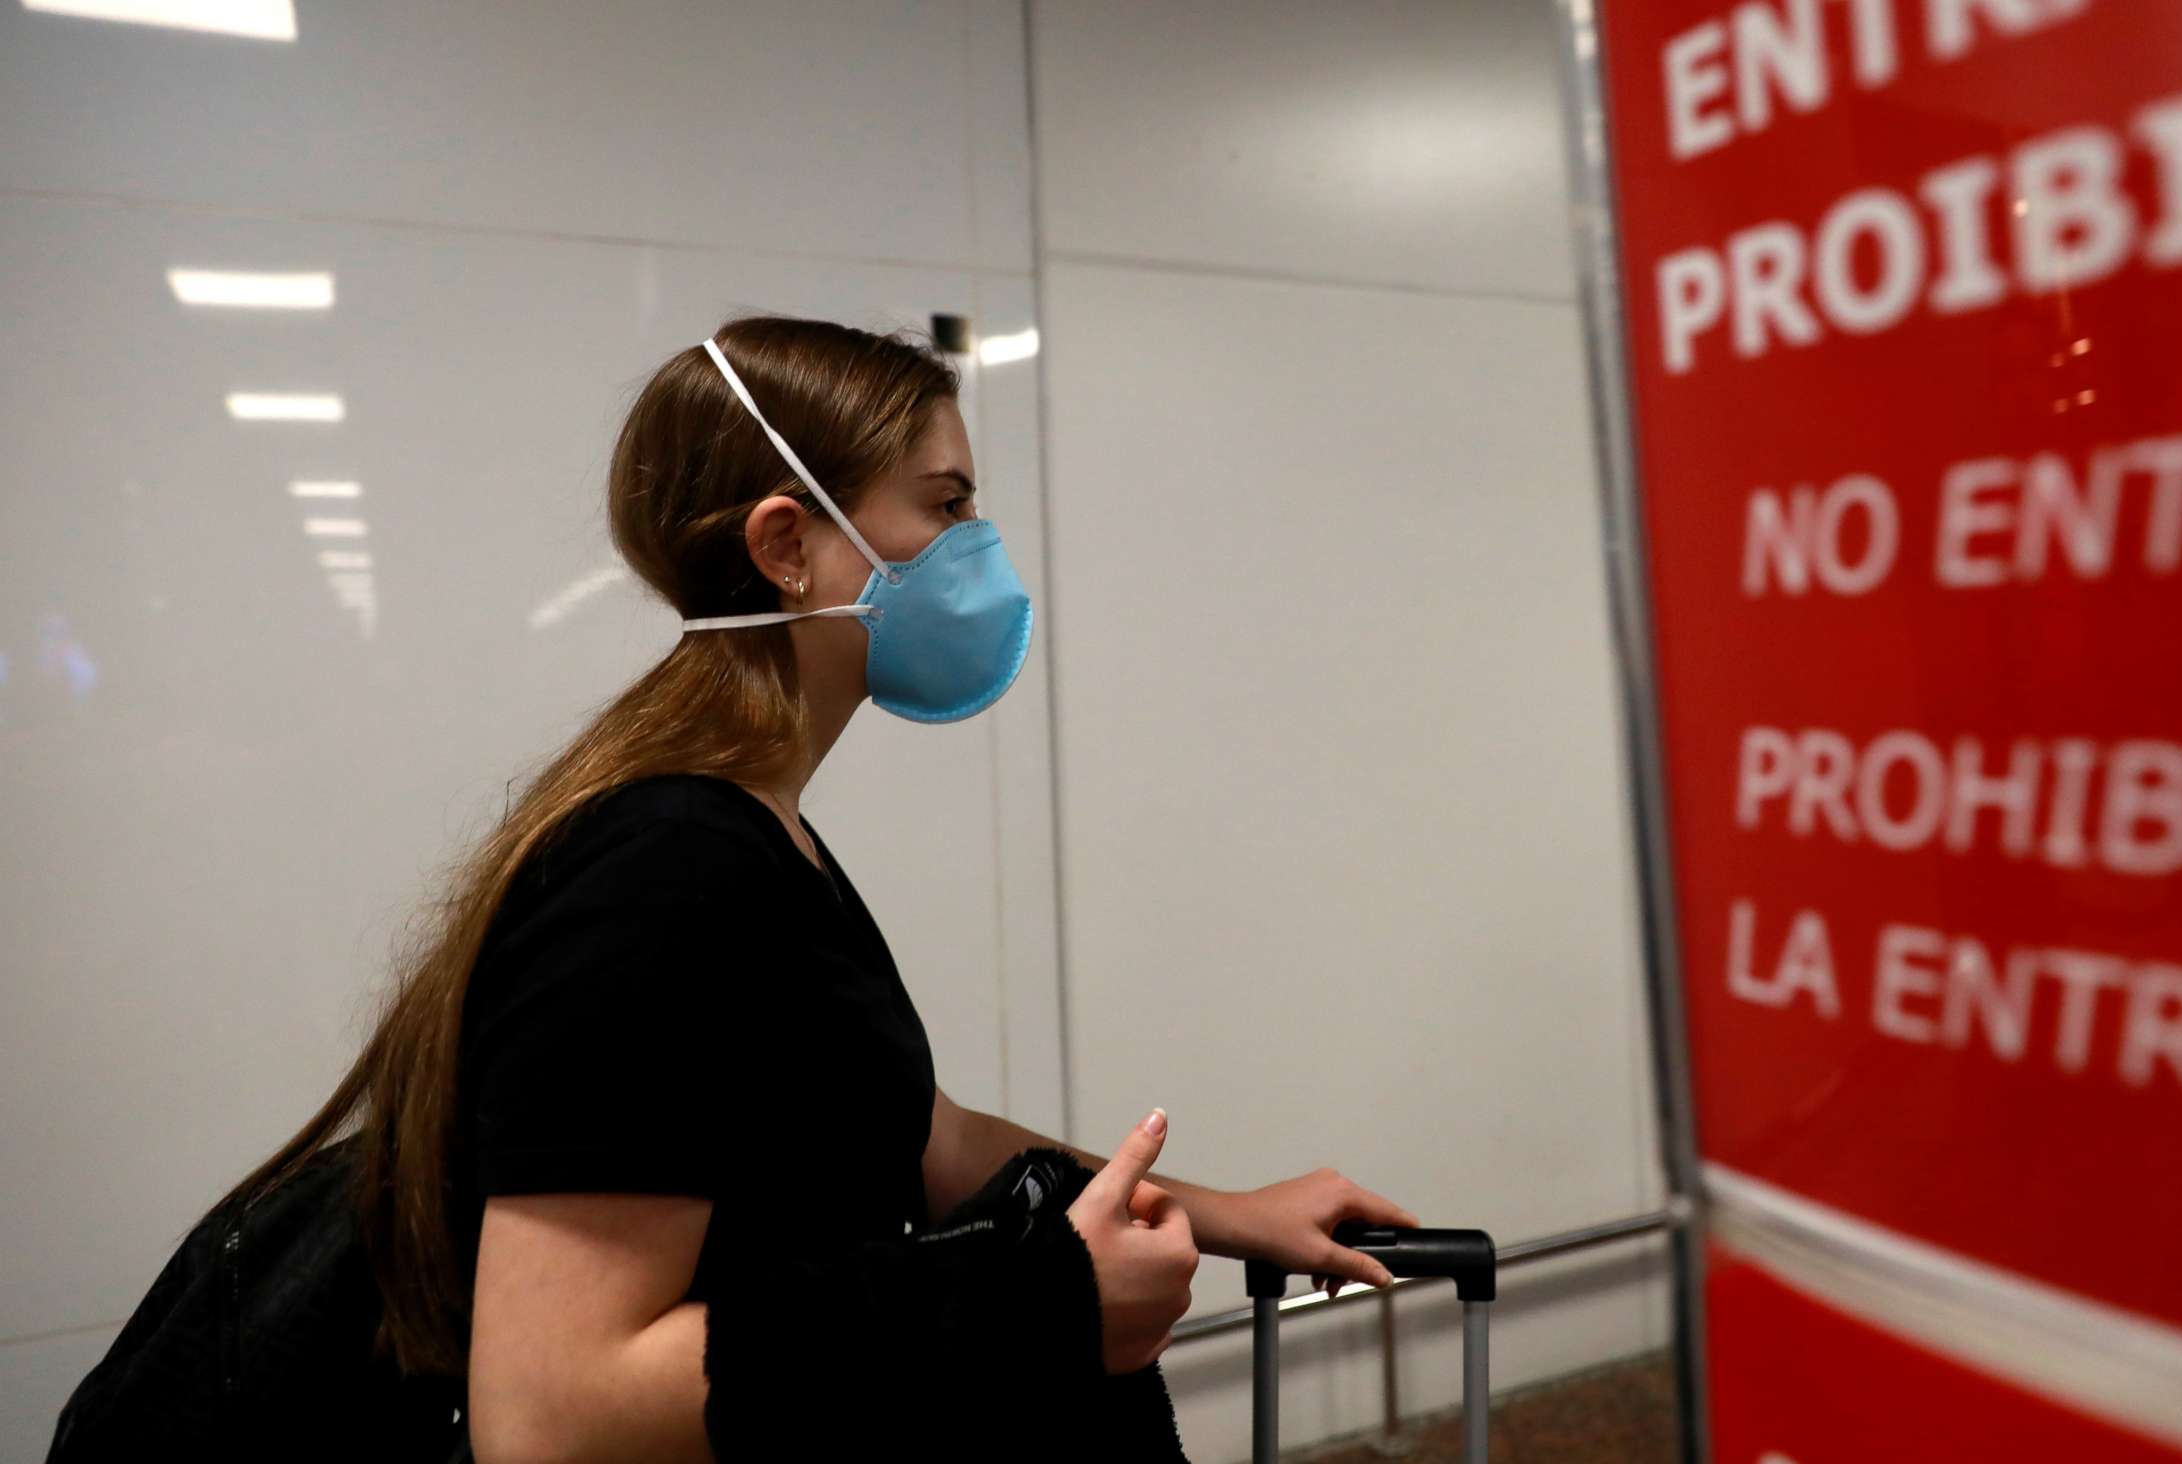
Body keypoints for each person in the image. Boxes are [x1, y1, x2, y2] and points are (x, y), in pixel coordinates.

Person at [217, 314, 1417, 1460]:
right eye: (946, 507)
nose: (978, 550)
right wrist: (1042, 1299)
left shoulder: (754, 828)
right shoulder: (664, 866)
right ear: (787, 546)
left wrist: (1227, 1214)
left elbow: (928, 1137)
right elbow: (554, 1410)